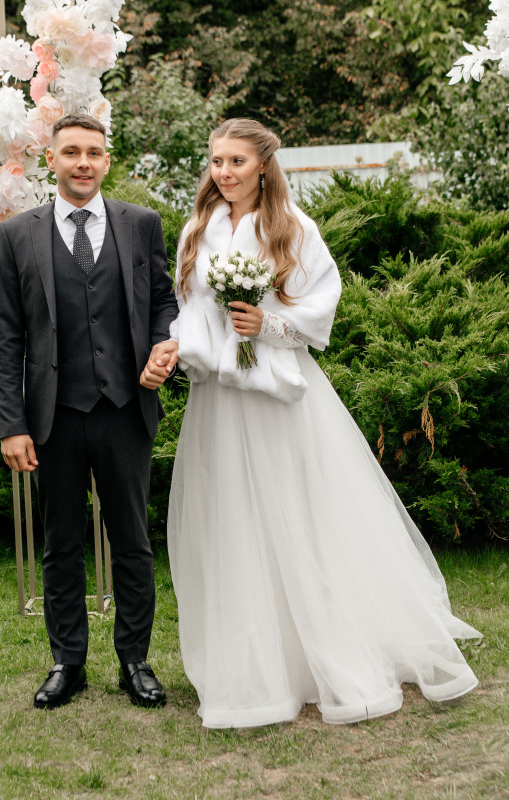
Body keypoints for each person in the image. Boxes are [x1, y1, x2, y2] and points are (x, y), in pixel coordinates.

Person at [167, 118, 481, 729]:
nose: (224, 173)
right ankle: (257, 662)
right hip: (220, 402)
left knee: (300, 514)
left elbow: (319, 308)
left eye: (235, 162)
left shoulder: (294, 229)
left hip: (281, 399)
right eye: (215, 162)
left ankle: (332, 653)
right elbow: (190, 309)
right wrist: (184, 348)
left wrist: (269, 328)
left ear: (263, 165)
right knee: (231, 517)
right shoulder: (196, 231)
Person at [0, 113, 179, 710]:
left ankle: (135, 661)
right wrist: (12, 424)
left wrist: (163, 346)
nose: (83, 162)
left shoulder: (141, 224)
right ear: (51, 159)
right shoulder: (19, 234)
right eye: (71, 151)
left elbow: (164, 303)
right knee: (61, 544)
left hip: (126, 410)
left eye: (94, 153)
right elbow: (6, 335)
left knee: (133, 541)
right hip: (55, 416)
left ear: (106, 159)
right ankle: (67, 662)